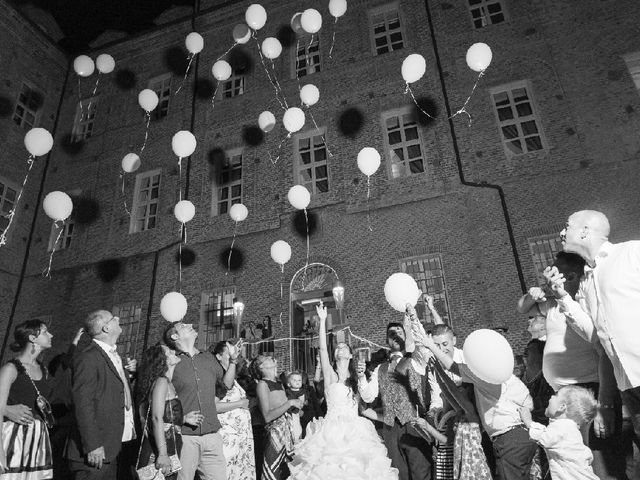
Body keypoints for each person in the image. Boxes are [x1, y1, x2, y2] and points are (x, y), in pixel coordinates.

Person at [519, 250, 630, 479]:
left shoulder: (584, 304)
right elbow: (523, 307)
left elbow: (604, 353)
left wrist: (603, 405)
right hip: (562, 396)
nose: (548, 276)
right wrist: (532, 295)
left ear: (570, 277)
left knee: (601, 463)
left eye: (554, 272)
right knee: (572, 466)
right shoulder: (551, 305)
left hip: (588, 394)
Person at [547, 210, 640, 444]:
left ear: (585, 231)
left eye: (567, 226)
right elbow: (593, 335)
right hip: (628, 384)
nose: (562, 232)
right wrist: (562, 297)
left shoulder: (631, 253)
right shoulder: (586, 282)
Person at [288, 301, 399, 480]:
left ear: (349, 355)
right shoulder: (330, 376)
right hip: (331, 430)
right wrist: (323, 320)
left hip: (356, 430)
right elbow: (323, 348)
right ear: (335, 356)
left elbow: (366, 404)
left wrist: (385, 418)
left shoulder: (356, 380)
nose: (340, 348)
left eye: (344, 347)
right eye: (337, 348)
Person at [415, 327, 537, 480]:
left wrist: (432, 349)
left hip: (509, 439)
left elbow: (453, 368)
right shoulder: (508, 378)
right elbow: (528, 403)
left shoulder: (484, 377)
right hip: (522, 436)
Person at [357, 315, 432, 480]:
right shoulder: (380, 369)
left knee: (421, 472)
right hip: (391, 428)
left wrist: (412, 321)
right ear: (387, 341)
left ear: (406, 336)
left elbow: (422, 344)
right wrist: (362, 377)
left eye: (399, 332)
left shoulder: (415, 359)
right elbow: (369, 397)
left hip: (414, 424)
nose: (396, 335)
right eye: (392, 333)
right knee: (399, 474)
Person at [163, 322, 239, 480]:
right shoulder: (170, 361)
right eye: (183, 325)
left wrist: (233, 361)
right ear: (174, 336)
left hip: (212, 436)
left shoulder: (208, 358)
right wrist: (182, 418)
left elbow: (226, 384)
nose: (190, 324)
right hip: (185, 437)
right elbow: (160, 401)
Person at [67, 311, 136, 480]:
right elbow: (83, 403)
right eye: (114, 318)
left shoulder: (114, 355)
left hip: (112, 447)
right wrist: (93, 445)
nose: (118, 319)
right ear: (106, 328)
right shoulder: (89, 357)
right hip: (95, 451)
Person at [135, 344, 202, 480]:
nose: (173, 351)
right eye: (168, 352)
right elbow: (156, 418)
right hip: (160, 448)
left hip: (171, 444)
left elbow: (164, 416)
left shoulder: (167, 382)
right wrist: (163, 454)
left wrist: (182, 419)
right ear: (162, 360)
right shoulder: (161, 382)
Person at [0, 320, 55, 479]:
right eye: (45, 332)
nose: (50, 335)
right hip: (13, 439)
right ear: (32, 338)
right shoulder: (11, 369)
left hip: (38, 440)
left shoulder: (43, 370)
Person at [519, 385, 599, 480]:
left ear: (561, 407)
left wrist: (529, 422)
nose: (551, 397)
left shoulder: (563, 427)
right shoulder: (569, 428)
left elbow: (545, 438)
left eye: (556, 395)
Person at [250, 355, 299, 480]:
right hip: (275, 434)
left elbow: (281, 406)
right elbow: (267, 416)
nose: (270, 357)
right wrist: (289, 403)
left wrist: (294, 407)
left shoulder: (279, 384)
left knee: (286, 471)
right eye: (265, 358)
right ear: (261, 367)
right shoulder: (262, 384)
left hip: (287, 433)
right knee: (273, 471)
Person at [212, 341, 255, 480]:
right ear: (218, 356)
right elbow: (214, 406)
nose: (233, 355)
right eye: (228, 353)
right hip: (228, 437)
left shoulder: (234, 378)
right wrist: (239, 403)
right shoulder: (216, 376)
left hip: (241, 438)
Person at [283, 372, 304, 443]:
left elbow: (301, 403)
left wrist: (300, 407)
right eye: (294, 380)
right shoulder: (286, 391)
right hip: (287, 412)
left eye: (299, 380)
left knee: (296, 428)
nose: (297, 382)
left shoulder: (301, 392)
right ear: (289, 384)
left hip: (295, 413)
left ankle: (297, 440)